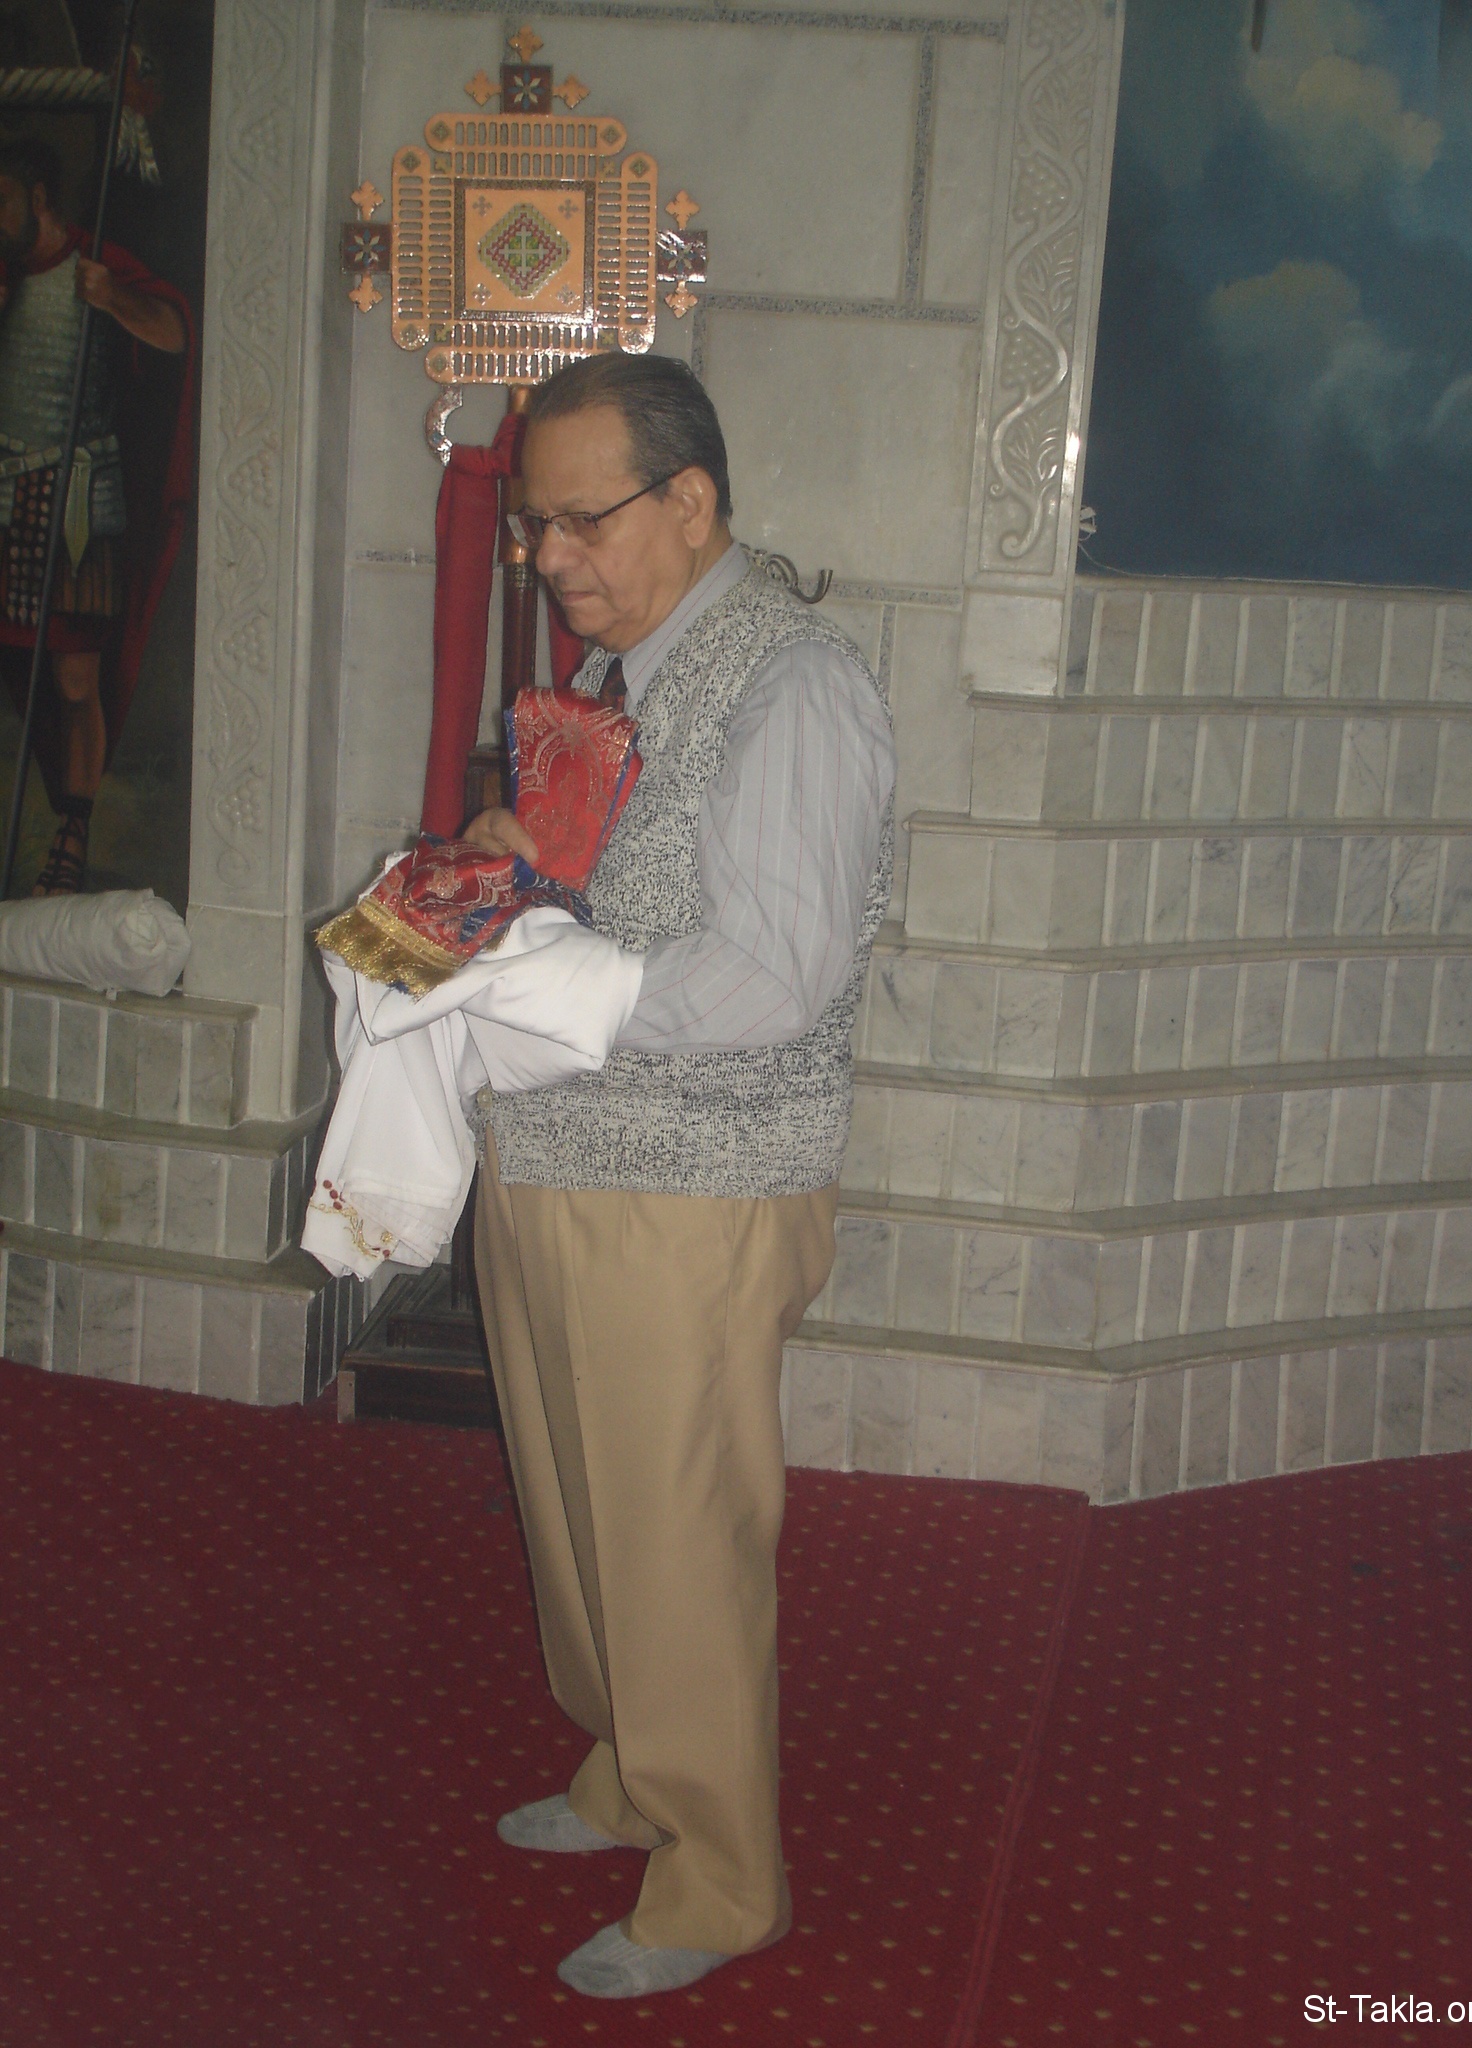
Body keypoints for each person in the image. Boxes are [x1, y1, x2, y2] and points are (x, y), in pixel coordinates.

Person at [463, 352, 896, 2000]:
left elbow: (775, 974)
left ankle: (718, 1877)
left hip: (692, 1192)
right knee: (584, 1515)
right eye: (535, 525)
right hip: (562, 1156)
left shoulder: (794, 684)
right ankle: (632, 1773)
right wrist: (505, 882)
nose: (550, 558)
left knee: (675, 1537)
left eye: (583, 520)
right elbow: (607, 890)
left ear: (693, 501)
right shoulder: (619, 670)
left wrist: (555, 989)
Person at [0, 137, 193, 895]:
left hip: (78, 499)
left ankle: (72, 833)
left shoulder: (94, 266)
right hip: (3, 496)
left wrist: (113, 299)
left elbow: (175, 333)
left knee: (77, 678)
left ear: (37, 198)